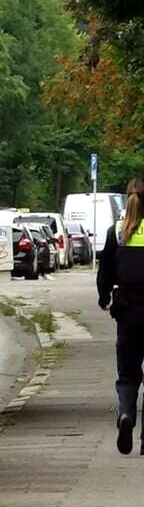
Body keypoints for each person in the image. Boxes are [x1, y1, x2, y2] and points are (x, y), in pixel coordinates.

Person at [97, 177, 144, 454]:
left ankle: (126, 414)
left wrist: (104, 298)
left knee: (127, 375)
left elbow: (105, 274)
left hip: (128, 313)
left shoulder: (117, 232)